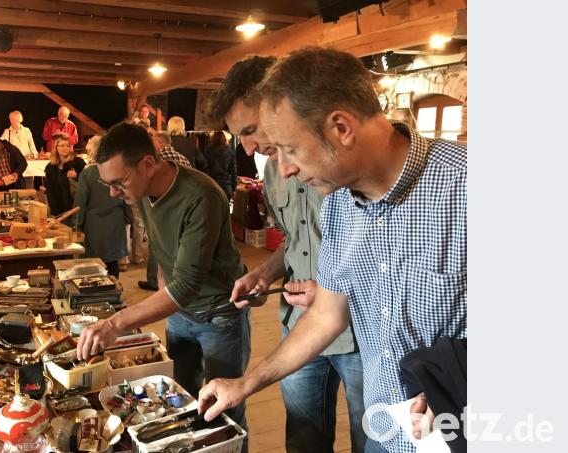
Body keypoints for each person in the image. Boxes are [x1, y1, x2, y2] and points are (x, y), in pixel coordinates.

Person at [197, 47, 467, 453]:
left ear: (341, 127)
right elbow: (327, 313)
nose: (284, 168)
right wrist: (246, 383)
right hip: (387, 431)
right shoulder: (340, 203)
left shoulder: (467, 186)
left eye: (289, 148)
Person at [207, 54, 365, 453]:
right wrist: (266, 273)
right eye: (237, 137)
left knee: (372, 439)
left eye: (250, 130)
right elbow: (293, 238)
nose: (247, 146)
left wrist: (331, 292)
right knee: (303, 437)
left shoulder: (343, 166)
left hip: (359, 333)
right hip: (299, 323)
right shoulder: (275, 170)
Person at [77, 123, 250, 448]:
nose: (113, 192)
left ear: (147, 164)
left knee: (224, 410)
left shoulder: (202, 195)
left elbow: (186, 284)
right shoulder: (140, 191)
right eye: (107, 184)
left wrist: (116, 323)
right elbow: (161, 248)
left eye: (118, 182)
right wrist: (163, 297)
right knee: (180, 401)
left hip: (219, 315)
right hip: (180, 314)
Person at [138, 131, 192, 291]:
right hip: (184, 210)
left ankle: (154, 281)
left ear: (160, 143)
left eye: (153, 142)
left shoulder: (154, 161)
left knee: (157, 245)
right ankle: (173, 279)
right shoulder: (183, 158)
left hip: (161, 210)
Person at [73, 136, 131, 278]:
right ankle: (115, 293)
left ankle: (100, 295)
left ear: (91, 152)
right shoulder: (119, 170)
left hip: (95, 226)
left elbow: (80, 203)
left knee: (94, 265)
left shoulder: (87, 173)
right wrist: (128, 218)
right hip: (115, 221)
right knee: (112, 263)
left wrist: (76, 225)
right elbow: (127, 196)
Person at [43, 136, 86, 222]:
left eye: (67, 145)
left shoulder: (78, 162)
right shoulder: (50, 167)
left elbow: (88, 181)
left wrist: (77, 176)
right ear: (56, 148)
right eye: (62, 145)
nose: (65, 148)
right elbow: (50, 191)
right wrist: (55, 212)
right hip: (60, 209)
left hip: (77, 208)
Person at [202, 131, 237, 200]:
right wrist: (233, 187)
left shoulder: (208, 150)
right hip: (226, 184)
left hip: (212, 183)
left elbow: (205, 167)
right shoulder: (229, 151)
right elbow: (233, 170)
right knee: (226, 208)